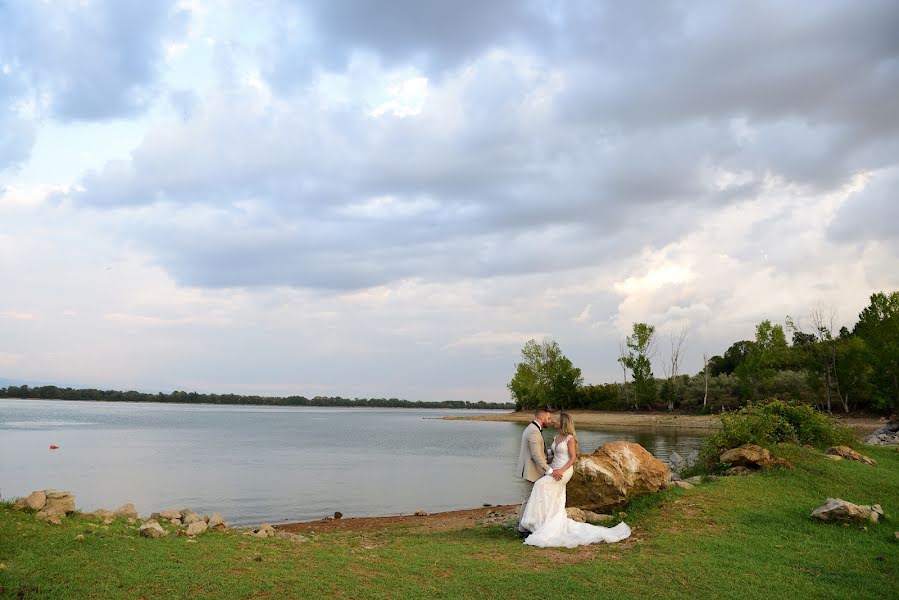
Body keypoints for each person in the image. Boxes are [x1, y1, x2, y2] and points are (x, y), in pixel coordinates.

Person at [519, 412, 632, 548]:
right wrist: (548, 465)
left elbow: (573, 457)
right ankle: (544, 522)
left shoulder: (570, 439)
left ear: (564, 423)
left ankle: (534, 523)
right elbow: (552, 454)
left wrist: (560, 470)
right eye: (552, 420)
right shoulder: (556, 437)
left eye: (557, 420)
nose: (554, 422)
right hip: (554, 469)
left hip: (564, 471)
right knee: (548, 492)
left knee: (539, 485)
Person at [515, 407, 560, 534]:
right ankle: (522, 530)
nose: (550, 421)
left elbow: (540, 453)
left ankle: (529, 526)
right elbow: (537, 457)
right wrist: (550, 471)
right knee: (528, 500)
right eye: (548, 418)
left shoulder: (533, 429)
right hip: (531, 472)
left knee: (532, 500)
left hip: (532, 470)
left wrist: (554, 453)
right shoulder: (533, 432)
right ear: (541, 417)